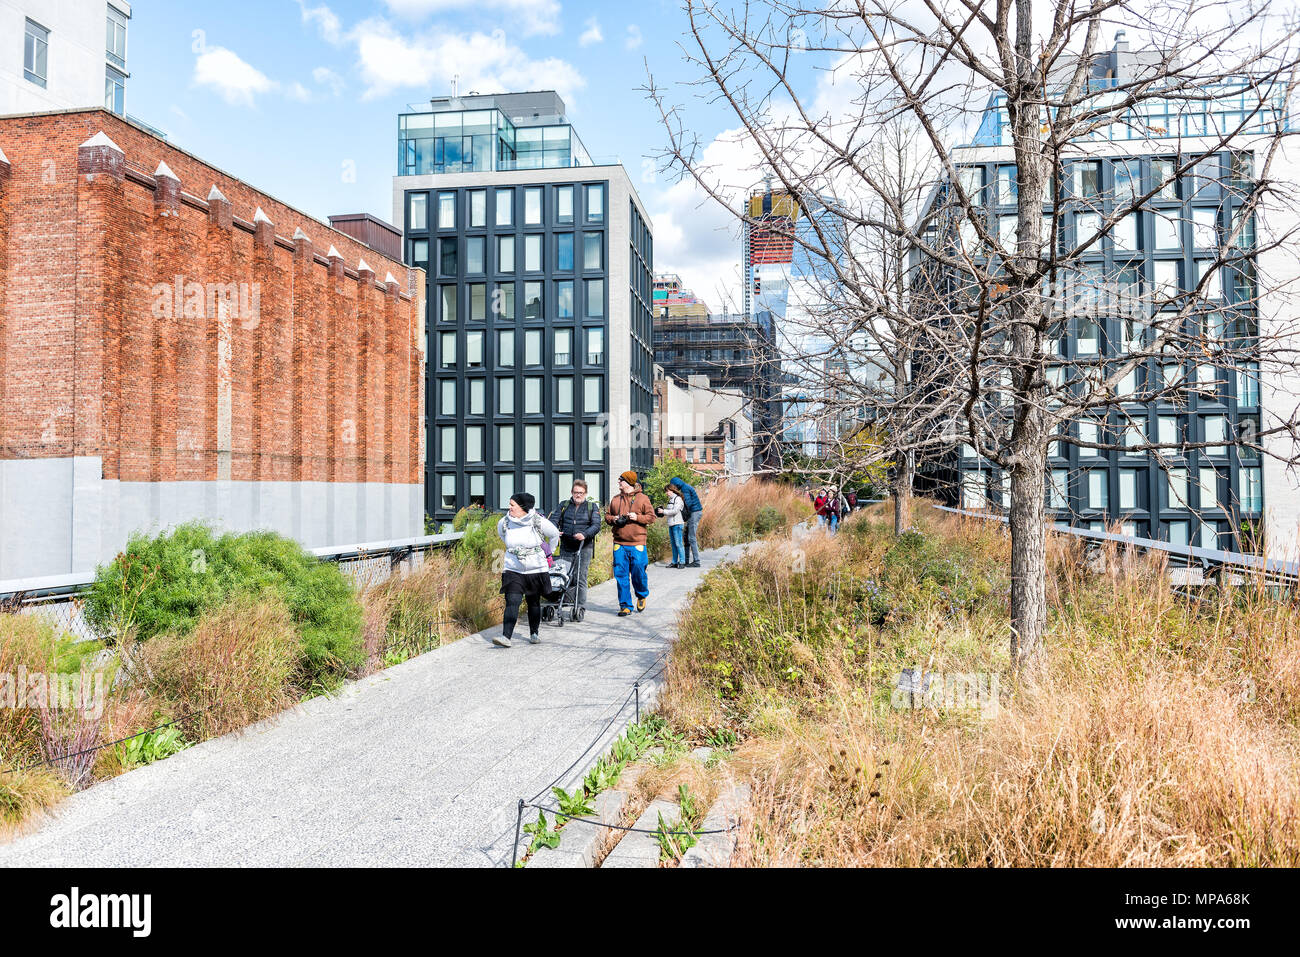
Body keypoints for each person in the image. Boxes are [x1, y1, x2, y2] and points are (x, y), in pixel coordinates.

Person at [493, 492, 560, 648]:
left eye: (512, 505)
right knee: (512, 601)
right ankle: (506, 636)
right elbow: (502, 536)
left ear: (523, 507)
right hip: (513, 568)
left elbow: (554, 534)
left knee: (533, 601)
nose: (509, 508)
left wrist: (548, 551)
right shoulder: (504, 522)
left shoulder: (537, 521)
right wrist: (514, 549)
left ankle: (534, 633)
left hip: (535, 568)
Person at [606, 470, 655, 616]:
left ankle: (641, 595)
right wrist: (613, 519)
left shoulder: (643, 499)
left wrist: (637, 517)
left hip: (637, 543)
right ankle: (625, 605)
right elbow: (607, 516)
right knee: (620, 575)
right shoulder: (615, 499)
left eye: (621, 480)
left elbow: (651, 517)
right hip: (619, 543)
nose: (618, 482)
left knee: (638, 572)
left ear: (628, 482)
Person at [548, 478, 601, 616]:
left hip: (584, 547)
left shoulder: (591, 507)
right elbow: (553, 520)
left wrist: (584, 534)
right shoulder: (564, 505)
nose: (578, 495)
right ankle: (561, 601)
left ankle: (580, 606)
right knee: (563, 575)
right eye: (576, 492)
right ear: (572, 492)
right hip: (566, 546)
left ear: (585, 493)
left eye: (581, 493)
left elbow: (596, 525)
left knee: (580, 577)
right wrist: (554, 530)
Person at [668, 476, 704, 567]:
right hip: (694, 513)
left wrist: (678, 509)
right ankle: (686, 560)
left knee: (691, 537)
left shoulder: (685, 488)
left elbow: (688, 503)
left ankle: (696, 561)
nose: (674, 488)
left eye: (674, 486)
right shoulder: (685, 487)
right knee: (687, 537)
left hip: (695, 513)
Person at [657, 485, 686, 568]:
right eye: (666, 491)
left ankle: (682, 562)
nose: (666, 493)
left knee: (678, 544)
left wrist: (664, 511)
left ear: (672, 490)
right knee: (673, 544)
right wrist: (662, 512)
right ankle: (674, 562)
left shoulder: (678, 499)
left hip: (677, 524)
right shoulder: (671, 500)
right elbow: (670, 511)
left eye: (667, 491)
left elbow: (675, 511)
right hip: (671, 524)